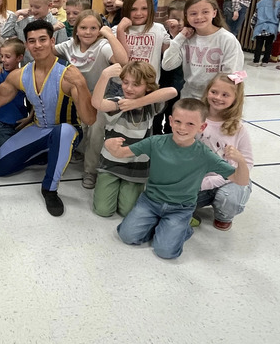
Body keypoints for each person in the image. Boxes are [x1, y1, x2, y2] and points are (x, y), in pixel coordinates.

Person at [107, 98, 250, 260]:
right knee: (127, 236)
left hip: (180, 209)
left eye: (190, 124)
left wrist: (241, 161)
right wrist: (109, 145)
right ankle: (162, 226)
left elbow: (241, 180)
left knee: (165, 252)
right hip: (150, 202)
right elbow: (121, 153)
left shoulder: (204, 155)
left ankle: (182, 228)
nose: (182, 128)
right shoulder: (155, 142)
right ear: (171, 121)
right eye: (178, 122)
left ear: (202, 127)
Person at [0, 20, 96, 216]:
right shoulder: (20, 74)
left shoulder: (68, 74)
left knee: (63, 131)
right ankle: (48, 154)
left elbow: (89, 119)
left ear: (52, 41)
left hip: (67, 130)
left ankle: (49, 189)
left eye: (42, 39)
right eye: (32, 41)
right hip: (39, 128)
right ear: (26, 45)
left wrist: (82, 85)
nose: (37, 45)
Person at [91, 62, 176, 218]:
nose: (128, 88)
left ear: (148, 87)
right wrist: (104, 75)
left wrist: (137, 103)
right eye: (125, 82)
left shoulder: (151, 105)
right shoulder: (119, 102)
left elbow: (172, 91)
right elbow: (97, 103)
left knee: (127, 211)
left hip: (136, 167)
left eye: (136, 84)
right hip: (111, 164)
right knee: (103, 210)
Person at [54, 10, 127, 190]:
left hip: (99, 97)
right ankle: (79, 152)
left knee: (95, 132)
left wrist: (110, 35)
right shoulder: (70, 45)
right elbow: (46, 49)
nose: (88, 32)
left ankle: (91, 170)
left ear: (99, 30)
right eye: (83, 28)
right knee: (79, 128)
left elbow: (123, 60)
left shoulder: (102, 46)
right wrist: (51, 28)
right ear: (76, 30)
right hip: (76, 96)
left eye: (93, 28)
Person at [193, 71, 253, 231]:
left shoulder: (238, 129)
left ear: (235, 99)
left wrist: (238, 159)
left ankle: (224, 215)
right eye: (214, 92)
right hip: (199, 179)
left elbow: (247, 164)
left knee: (228, 198)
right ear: (207, 92)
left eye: (225, 94)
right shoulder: (195, 119)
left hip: (229, 179)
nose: (218, 98)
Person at [161, 0, 244, 99]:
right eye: (193, 13)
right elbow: (167, 65)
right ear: (186, 15)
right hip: (189, 97)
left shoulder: (227, 39)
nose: (199, 17)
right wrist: (179, 38)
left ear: (214, 13)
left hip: (215, 99)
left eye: (205, 12)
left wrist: (219, 97)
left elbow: (232, 74)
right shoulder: (186, 38)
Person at [116, 0, 170, 81]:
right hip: (122, 85)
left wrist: (175, 33)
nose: (138, 13)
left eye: (144, 8)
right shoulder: (117, 29)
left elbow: (169, 57)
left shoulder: (159, 28)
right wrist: (120, 30)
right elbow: (123, 60)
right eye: (133, 9)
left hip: (149, 84)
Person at [0, 38, 28, 148]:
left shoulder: (25, 75)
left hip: (21, 122)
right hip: (2, 125)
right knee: (5, 157)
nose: (3, 60)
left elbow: (36, 99)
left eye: (8, 57)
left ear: (19, 58)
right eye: (2, 56)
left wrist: (30, 117)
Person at [153, 0, 186, 135]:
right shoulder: (164, 35)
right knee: (157, 117)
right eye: (173, 18)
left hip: (179, 87)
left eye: (181, 19)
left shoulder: (188, 38)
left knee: (173, 118)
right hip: (162, 84)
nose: (177, 23)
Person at [2, 0, 67, 48]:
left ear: (49, 5)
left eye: (37, 7)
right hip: (25, 58)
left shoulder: (58, 26)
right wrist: (16, 14)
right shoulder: (24, 22)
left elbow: (62, 52)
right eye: (31, 6)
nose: (32, 10)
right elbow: (5, 33)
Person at [251, 0, 280, 65]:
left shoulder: (261, 2)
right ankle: (265, 61)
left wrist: (253, 26)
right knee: (269, 45)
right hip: (272, 28)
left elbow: (255, 16)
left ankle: (256, 60)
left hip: (260, 26)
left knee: (259, 44)